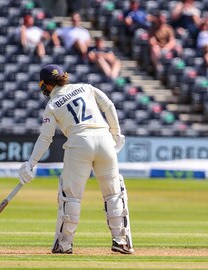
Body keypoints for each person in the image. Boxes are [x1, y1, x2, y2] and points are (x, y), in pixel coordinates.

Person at [18, 64, 134, 254]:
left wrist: (31, 162)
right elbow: (109, 106)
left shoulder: (52, 105)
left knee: (71, 195)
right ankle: (121, 241)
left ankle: (64, 244)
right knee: (114, 192)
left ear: (46, 85)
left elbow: (46, 138)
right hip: (104, 139)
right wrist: (116, 134)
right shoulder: (86, 87)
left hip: (79, 142)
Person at [148, 11, 183, 75]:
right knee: (155, 48)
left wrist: (166, 48)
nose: (161, 19)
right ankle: (158, 67)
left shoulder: (168, 28)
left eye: (163, 18)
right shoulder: (153, 28)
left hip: (167, 47)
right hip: (158, 48)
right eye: (160, 18)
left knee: (178, 46)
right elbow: (152, 41)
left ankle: (179, 64)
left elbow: (172, 40)